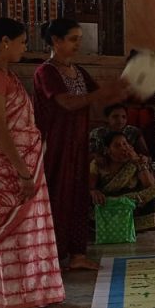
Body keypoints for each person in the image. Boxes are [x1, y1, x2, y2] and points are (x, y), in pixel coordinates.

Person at [0, 18, 65, 308]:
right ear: (4, 42)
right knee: (14, 232)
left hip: (23, 164)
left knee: (23, 231)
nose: (24, 47)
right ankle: (17, 301)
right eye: (22, 42)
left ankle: (11, 295)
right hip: (8, 169)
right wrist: (21, 171)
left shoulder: (3, 75)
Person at [33, 18, 126, 271]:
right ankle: (50, 256)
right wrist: (104, 91)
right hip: (54, 144)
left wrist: (126, 86)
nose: (78, 44)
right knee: (56, 196)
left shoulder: (79, 71)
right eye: (73, 39)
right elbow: (68, 102)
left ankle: (77, 254)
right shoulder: (46, 72)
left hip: (77, 144)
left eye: (79, 40)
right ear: (56, 40)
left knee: (77, 196)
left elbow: (102, 98)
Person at [90, 132, 155, 231]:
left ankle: (131, 225)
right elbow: (91, 187)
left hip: (128, 203)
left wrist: (138, 162)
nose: (123, 148)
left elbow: (149, 185)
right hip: (107, 203)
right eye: (117, 146)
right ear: (108, 150)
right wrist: (94, 192)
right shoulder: (98, 164)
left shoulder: (134, 162)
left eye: (125, 144)